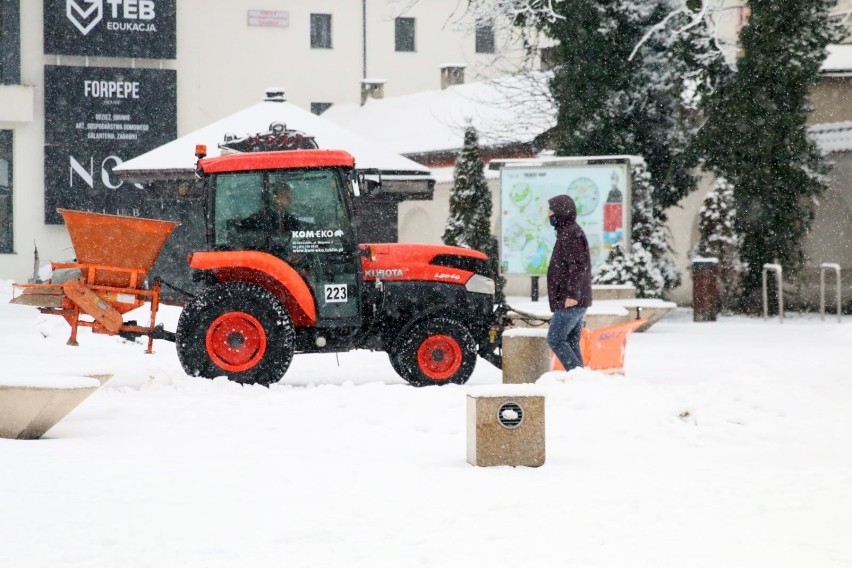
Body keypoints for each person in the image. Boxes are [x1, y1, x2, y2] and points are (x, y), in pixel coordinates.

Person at [546, 194, 593, 372]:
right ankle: (578, 378)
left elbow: (578, 266)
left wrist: (572, 294)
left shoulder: (571, 234)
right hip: (574, 299)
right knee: (571, 340)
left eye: (551, 210)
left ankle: (577, 375)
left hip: (571, 300)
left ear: (560, 211)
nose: (548, 214)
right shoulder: (568, 232)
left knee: (555, 339)